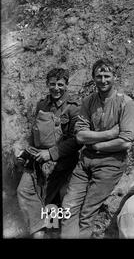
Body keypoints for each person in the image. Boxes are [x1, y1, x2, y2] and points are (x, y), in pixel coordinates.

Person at [60, 58, 134, 238]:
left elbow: (125, 141)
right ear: (93, 78)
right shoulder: (88, 101)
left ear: (114, 77)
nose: (103, 80)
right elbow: (80, 135)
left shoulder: (126, 103)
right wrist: (111, 134)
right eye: (99, 76)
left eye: (107, 76)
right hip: (85, 161)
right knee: (67, 207)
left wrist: (95, 144)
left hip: (111, 164)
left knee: (87, 213)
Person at [16, 68, 82, 238]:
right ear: (47, 84)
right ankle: (38, 230)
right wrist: (25, 154)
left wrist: (51, 154)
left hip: (62, 163)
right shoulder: (42, 104)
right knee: (24, 190)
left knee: (53, 201)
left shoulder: (73, 109)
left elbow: (76, 141)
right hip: (37, 159)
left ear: (66, 85)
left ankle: (52, 232)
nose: (56, 88)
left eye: (60, 84)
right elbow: (35, 133)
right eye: (52, 84)